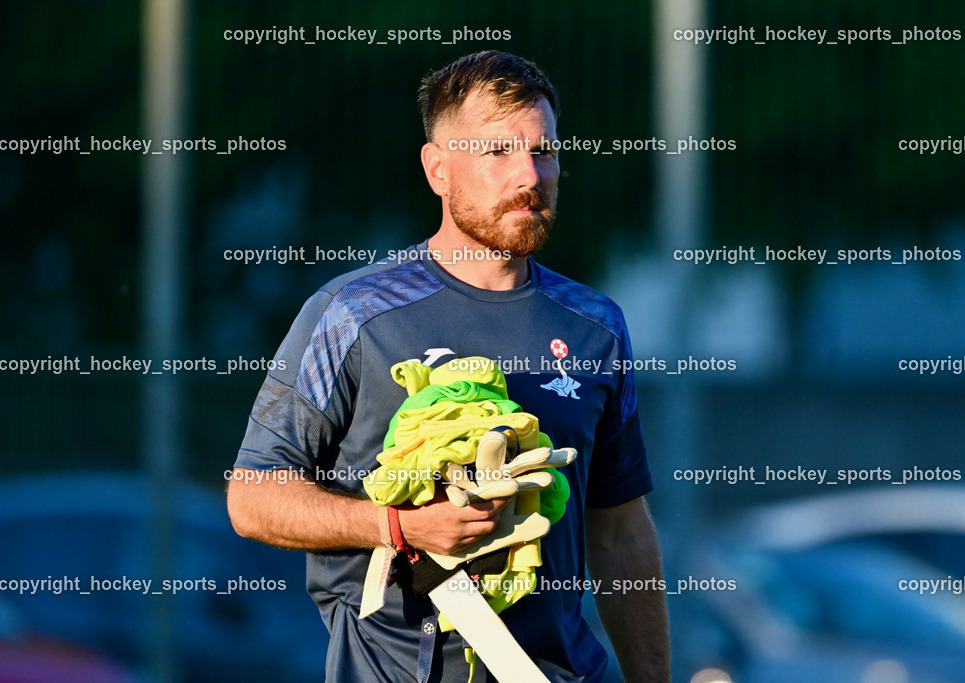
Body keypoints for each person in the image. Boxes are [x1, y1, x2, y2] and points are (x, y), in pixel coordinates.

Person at [227, 50, 670, 682]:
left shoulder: (596, 326)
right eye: (498, 151)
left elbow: (621, 531)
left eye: (543, 151)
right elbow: (252, 497)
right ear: (438, 169)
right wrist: (399, 527)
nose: (529, 174)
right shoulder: (354, 314)